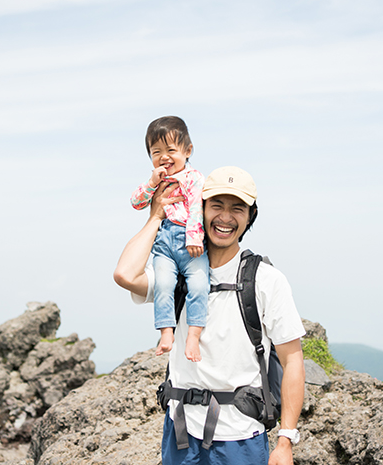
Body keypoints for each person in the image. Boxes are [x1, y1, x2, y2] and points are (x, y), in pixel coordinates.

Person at [114, 166, 306, 465]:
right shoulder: (178, 274)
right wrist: (156, 217)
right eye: (216, 205)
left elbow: (292, 359)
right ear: (199, 209)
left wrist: (286, 440)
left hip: (240, 436)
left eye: (237, 208)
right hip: (180, 432)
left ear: (250, 216)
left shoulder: (266, 280)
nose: (225, 218)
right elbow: (125, 274)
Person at [130, 116, 209, 362]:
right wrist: (151, 183)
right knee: (164, 286)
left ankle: (194, 335)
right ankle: (166, 331)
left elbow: (197, 207)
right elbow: (136, 203)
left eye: (171, 150)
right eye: (157, 152)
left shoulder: (194, 177)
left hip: (190, 243)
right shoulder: (156, 182)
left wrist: (194, 237)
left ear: (188, 151)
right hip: (164, 244)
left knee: (198, 286)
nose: (164, 157)